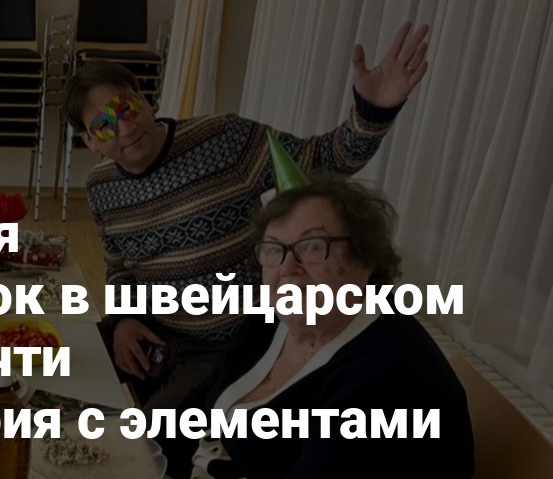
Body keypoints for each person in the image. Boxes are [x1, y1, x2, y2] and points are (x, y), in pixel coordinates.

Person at [61, 22, 432, 410]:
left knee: (151, 434)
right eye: (104, 126)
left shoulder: (224, 139)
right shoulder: (100, 187)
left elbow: (321, 160)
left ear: (144, 98)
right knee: (58, 365)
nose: (124, 128)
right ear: (90, 141)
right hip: (155, 330)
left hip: (230, 343)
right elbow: (119, 266)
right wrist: (123, 319)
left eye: (126, 108)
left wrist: (373, 111)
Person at [172, 177, 474, 479]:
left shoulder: (388, 374)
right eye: (273, 249)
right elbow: (201, 404)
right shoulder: (275, 320)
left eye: (313, 248)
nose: (287, 268)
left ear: (365, 260)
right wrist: (138, 453)